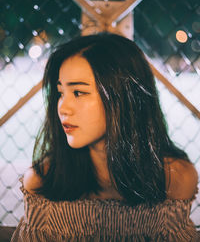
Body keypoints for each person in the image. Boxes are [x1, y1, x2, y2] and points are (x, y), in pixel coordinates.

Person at [11, 33, 199, 241]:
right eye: (60, 93)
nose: (63, 107)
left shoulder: (175, 179)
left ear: (124, 97)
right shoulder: (43, 181)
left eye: (79, 93)